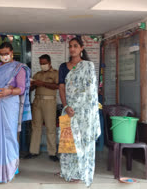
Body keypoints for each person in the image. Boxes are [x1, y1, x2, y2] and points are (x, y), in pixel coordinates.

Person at [0, 42, 31, 183]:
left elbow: (21, 89)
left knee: (9, 135)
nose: (4, 56)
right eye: (1, 54)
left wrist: (9, 91)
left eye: (6, 54)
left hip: (10, 105)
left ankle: (11, 169)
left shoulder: (19, 68)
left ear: (12, 53)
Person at [58, 37, 101, 186]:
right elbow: (62, 88)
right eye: (70, 46)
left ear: (82, 48)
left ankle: (82, 172)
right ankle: (68, 171)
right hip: (68, 110)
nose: (72, 49)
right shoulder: (63, 67)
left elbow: (91, 91)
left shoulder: (88, 66)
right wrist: (66, 106)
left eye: (75, 46)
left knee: (83, 142)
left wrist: (80, 107)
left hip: (84, 113)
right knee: (68, 142)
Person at [25, 54, 59, 161]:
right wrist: (32, 85)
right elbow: (31, 89)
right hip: (37, 101)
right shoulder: (37, 74)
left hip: (49, 101)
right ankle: (33, 151)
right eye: (41, 63)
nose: (42, 65)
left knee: (50, 127)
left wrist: (42, 83)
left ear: (49, 63)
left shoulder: (55, 73)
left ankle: (52, 153)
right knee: (35, 126)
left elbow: (57, 86)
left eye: (44, 63)